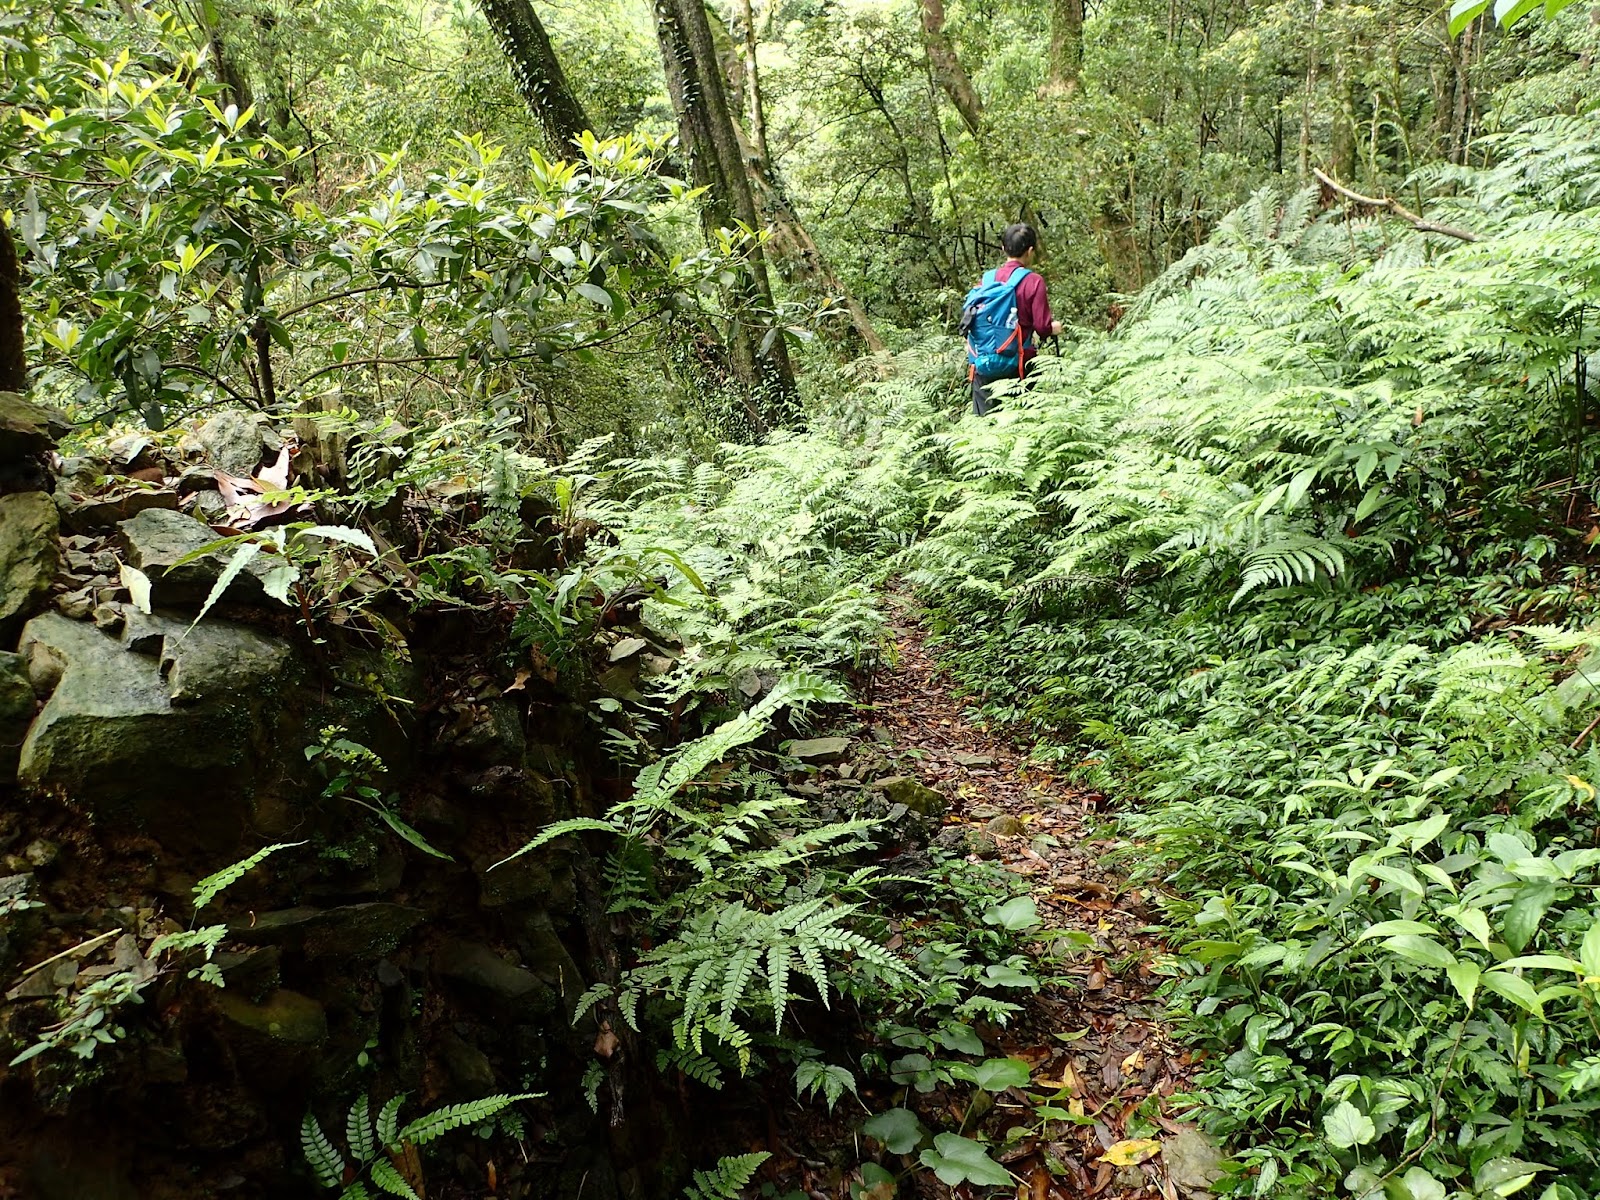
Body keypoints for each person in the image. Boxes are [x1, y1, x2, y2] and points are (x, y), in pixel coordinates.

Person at [963, 223, 1063, 416]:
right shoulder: (1033, 281)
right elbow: (1042, 328)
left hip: (983, 364)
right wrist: (1054, 328)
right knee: (1023, 421)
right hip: (1020, 365)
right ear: (1030, 251)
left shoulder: (987, 280)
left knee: (986, 424)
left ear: (1003, 249)